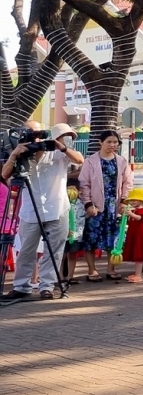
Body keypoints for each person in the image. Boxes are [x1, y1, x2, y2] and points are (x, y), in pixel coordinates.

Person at [1, 122, 84, 300]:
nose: (35, 137)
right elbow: (5, 175)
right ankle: (22, 287)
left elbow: (79, 160)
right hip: (30, 210)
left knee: (54, 250)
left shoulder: (57, 152)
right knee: (26, 250)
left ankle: (47, 286)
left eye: (38, 133)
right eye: (31, 133)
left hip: (58, 207)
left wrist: (61, 146)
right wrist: (15, 154)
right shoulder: (19, 151)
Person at [78, 129, 136, 282]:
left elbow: (128, 183)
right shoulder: (90, 161)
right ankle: (92, 270)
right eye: (109, 142)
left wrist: (124, 201)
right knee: (91, 239)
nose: (112, 145)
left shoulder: (122, 162)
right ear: (101, 142)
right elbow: (84, 184)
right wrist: (88, 204)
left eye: (115, 142)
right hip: (96, 207)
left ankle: (111, 269)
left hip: (114, 207)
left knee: (114, 239)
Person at [118, 187, 143, 283]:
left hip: (141, 237)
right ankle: (137, 273)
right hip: (134, 236)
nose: (132, 202)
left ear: (141, 200)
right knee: (136, 256)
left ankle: (138, 275)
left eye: (135, 200)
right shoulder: (134, 211)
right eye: (131, 200)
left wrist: (130, 214)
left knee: (139, 256)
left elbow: (139, 218)